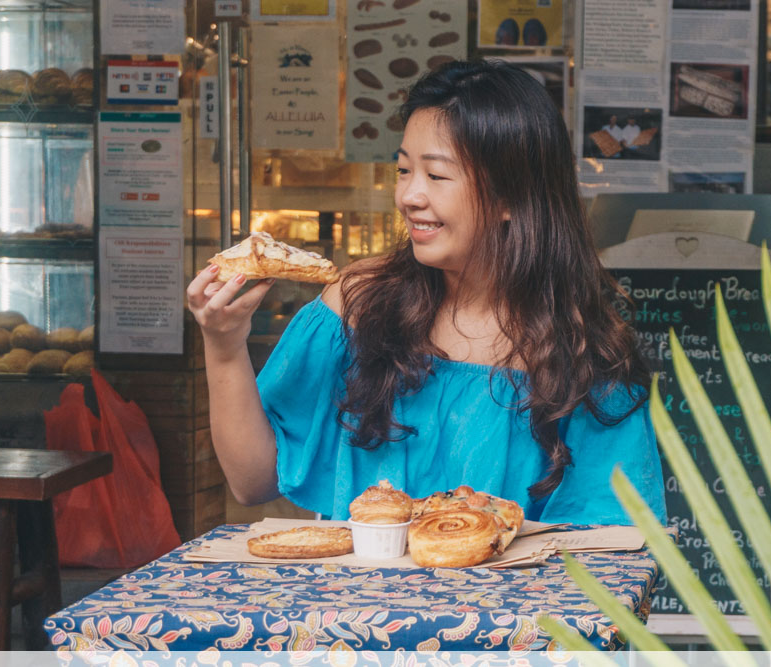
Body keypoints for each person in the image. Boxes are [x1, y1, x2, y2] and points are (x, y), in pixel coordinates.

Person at [186, 59, 667, 526]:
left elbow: (609, 546)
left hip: (508, 609)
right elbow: (252, 481)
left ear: (510, 197)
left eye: (436, 175)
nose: (409, 196)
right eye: (402, 170)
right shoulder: (356, 306)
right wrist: (225, 345)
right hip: (358, 606)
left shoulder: (580, 350)